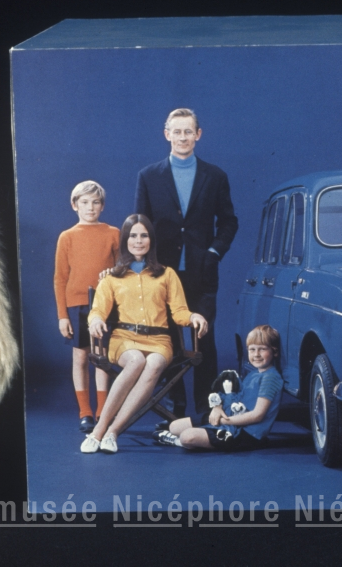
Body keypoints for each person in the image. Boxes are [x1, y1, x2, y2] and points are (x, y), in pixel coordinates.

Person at [135, 108, 238, 423]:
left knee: (203, 339)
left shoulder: (215, 176)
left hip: (201, 271)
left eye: (188, 131)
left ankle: (207, 411)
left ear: (198, 135)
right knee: (166, 340)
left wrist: (213, 252)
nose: (182, 137)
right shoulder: (148, 176)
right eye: (176, 132)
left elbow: (229, 222)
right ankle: (174, 413)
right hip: (161, 273)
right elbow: (141, 224)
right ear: (167, 134)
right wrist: (146, 265)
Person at [81, 214, 209, 453]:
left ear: (151, 240)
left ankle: (112, 432)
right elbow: (98, 310)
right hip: (124, 340)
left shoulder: (167, 274)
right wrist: (96, 320)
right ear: (125, 240)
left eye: (144, 235)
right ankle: (98, 430)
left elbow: (179, 311)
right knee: (136, 360)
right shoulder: (111, 277)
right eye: (133, 236)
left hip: (159, 341)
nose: (138, 241)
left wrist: (193, 316)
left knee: (153, 363)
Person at [53, 181, 119, 433]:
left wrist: (113, 273)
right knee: (80, 357)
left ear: (102, 206)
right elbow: (60, 278)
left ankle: (102, 409)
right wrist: (62, 316)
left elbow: (121, 270)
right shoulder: (67, 237)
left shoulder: (113, 233)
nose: (90, 207)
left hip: (105, 304)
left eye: (95, 202)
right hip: (77, 306)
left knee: (101, 357)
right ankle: (85, 412)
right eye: (84, 202)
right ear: (74, 205)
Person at [155, 325, 283, 451]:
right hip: (230, 418)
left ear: (275, 352)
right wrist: (218, 408)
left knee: (186, 437)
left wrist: (222, 421)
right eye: (252, 349)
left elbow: (257, 415)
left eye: (262, 349)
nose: (256, 354)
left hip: (247, 432)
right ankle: (195, 435)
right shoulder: (253, 373)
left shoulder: (271, 378)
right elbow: (235, 397)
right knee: (174, 426)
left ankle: (177, 441)